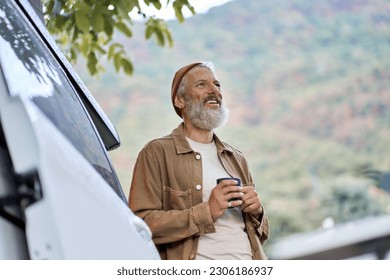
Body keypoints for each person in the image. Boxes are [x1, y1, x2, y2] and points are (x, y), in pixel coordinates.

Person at [129, 61, 269, 260]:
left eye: (217, 85)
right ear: (179, 101)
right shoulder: (156, 153)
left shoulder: (236, 158)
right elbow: (140, 225)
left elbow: (260, 235)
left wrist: (258, 211)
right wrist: (207, 211)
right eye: (202, 85)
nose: (214, 91)